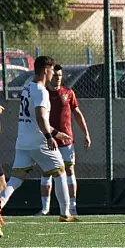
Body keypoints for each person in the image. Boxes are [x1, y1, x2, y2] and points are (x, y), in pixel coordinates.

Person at [0, 56, 77, 235]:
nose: (53, 74)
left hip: (23, 141)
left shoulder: (27, 88)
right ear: (45, 70)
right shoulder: (41, 91)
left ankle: (0, 203)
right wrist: (50, 137)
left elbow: (34, 119)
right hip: (38, 141)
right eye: (51, 70)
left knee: (16, 179)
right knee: (60, 171)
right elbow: (41, 118)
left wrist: (57, 133)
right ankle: (66, 213)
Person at [36, 64, 91, 216]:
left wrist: (85, 133)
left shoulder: (68, 93)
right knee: (46, 172)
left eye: (60, 76)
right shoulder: (43, 93)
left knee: (69, 170)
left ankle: (72, 207)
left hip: (66, 141)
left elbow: (77, 113)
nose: (58, 78)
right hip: (47, 139)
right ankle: (45, 208)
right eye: (55, 75)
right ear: (49, 75)